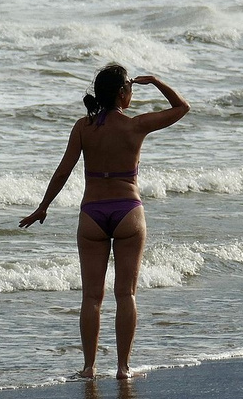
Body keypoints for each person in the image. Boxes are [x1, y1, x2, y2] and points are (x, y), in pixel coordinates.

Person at [19, 64, 189, 379]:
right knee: (126, 294)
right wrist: (155, 81)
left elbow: (63, 170)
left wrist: (43, 207)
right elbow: (182, 107)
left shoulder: (83, 127)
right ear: (123, 93)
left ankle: (88, 367)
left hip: (92, 214)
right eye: (131, 88)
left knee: (91, 297)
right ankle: (123, 368)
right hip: (128, 211)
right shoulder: (136, 126)